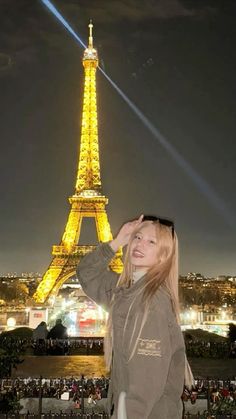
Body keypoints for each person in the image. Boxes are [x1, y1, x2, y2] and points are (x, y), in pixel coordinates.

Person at [78, 214, 190, 419]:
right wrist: (117, 241)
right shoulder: (126, 291)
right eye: (137, 237)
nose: (140, 244)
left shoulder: (152, 302)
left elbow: (145, 384)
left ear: (163, 255)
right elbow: (87, 274)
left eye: (151, 241)